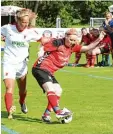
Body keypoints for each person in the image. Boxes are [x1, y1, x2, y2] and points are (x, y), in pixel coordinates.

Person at [32, 28, 105, 123]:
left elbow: (87, 48)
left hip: (49, 71)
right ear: (66, 37)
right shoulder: (58, 43)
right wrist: (40, 53)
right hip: (40, 68)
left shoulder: (73, 47)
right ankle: (58, 112)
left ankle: (46, 115)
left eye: (74, 40)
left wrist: (99, 39)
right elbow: (43, 47)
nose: (72, 42)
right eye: (70, 39)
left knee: (58, 90)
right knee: (50, 89)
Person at [1, 8, 41, 119]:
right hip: (8, 62)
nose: (25, 25)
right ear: (17, 20)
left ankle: (22, 102)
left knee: (22, 90)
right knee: (9, 87)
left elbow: (43, 40)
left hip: (22, 64)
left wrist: (42, 48)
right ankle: (9, 110)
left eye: (27, 22)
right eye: (23, 22)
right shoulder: (8, 28)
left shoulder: (30, 32)